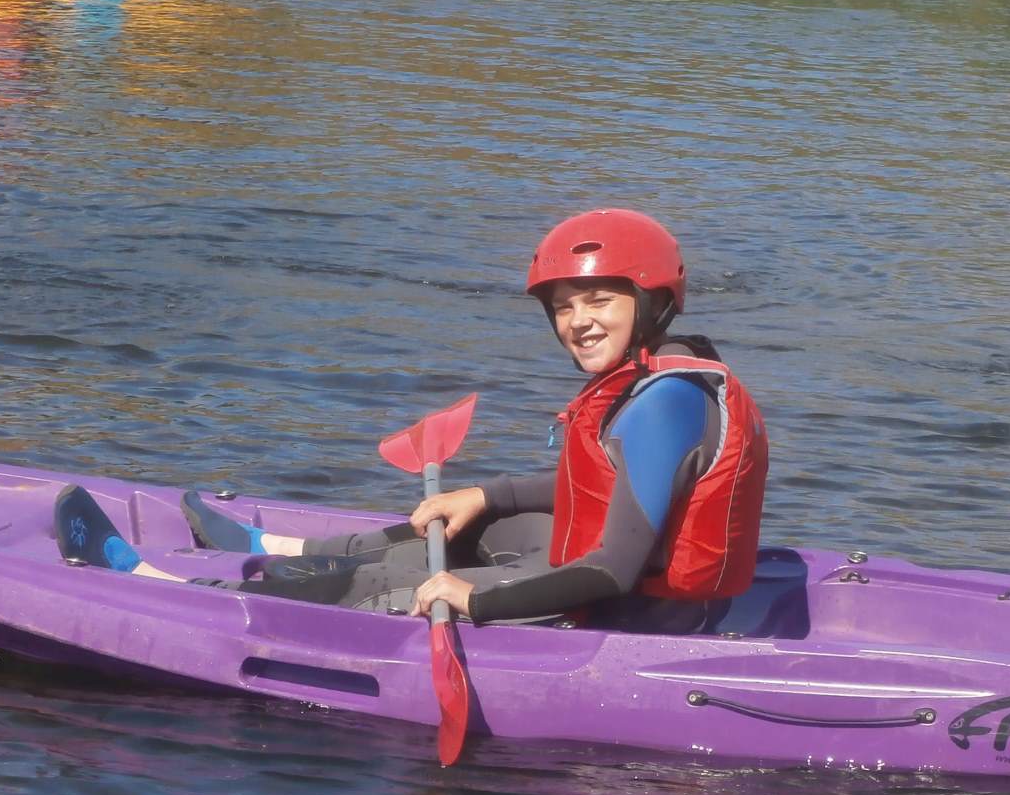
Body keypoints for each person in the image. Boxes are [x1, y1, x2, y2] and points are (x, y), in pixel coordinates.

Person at [56, 209, 770, 633]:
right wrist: (487, 494)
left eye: (599, 302)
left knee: (393, 586)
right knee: (468, 526)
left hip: (623, 613)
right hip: (628, 592)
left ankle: (171, 594)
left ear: (651, 303)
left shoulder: (665, 403)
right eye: (563, 307)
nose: (578, 322)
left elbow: (611, 571)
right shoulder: (656, 379)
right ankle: (279, 548)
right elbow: (606, 488)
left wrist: (471, 601)